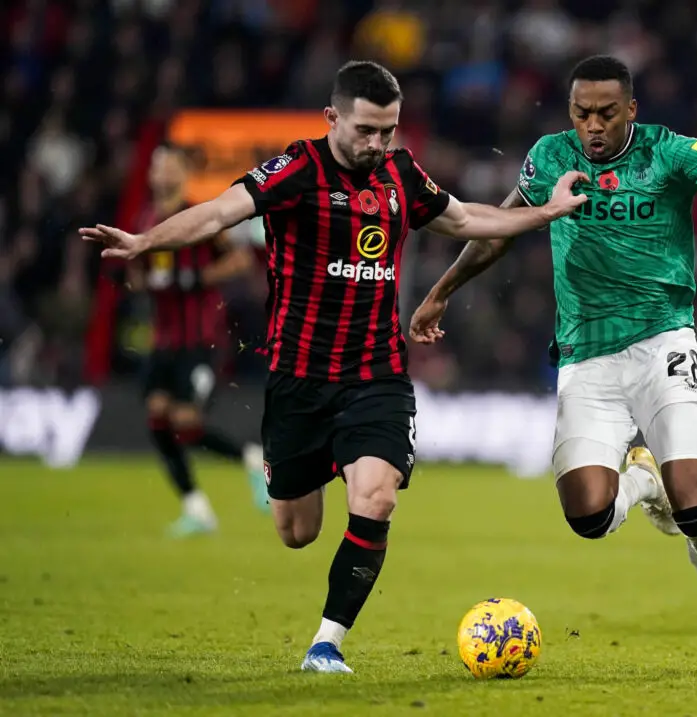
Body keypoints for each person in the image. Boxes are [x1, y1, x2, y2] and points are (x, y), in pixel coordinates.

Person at [82, 60, 588, 674]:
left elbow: (463, 219)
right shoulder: (297, 169)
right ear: (332, 118)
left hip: (377, 374)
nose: (377, 143)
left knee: (376, 497)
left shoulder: (401, 173)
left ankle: (326, 644)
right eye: (365, 130)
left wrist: (545, 213)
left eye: (388, 131)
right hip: (298, 380)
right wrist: (144, 241)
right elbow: (217, 213)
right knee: (296, 532)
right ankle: (301, 470)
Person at [409, 55, 697, 677]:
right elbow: (500, 229)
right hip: (587, 358)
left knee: (693, 501)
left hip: (664, 344)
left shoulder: (667, 152)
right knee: (588, 515)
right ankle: (641, 481)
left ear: (630, 110)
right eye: (581, 112)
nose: (593, 125)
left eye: (607, 113)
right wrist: (442, 290)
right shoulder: (551, 156)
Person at [128, 143, 267, 537]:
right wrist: (139, 279)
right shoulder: (146, 219)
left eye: (170, 166)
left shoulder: (198, 217)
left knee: (186, 423)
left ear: (182, 173)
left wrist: (199, 277)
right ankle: (196, 507)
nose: (163, 173)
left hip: (200, 339)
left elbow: (240, 260)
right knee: (157, 416)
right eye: (158, 167)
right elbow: (138, 273)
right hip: (163, 341)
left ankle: (253, 457)